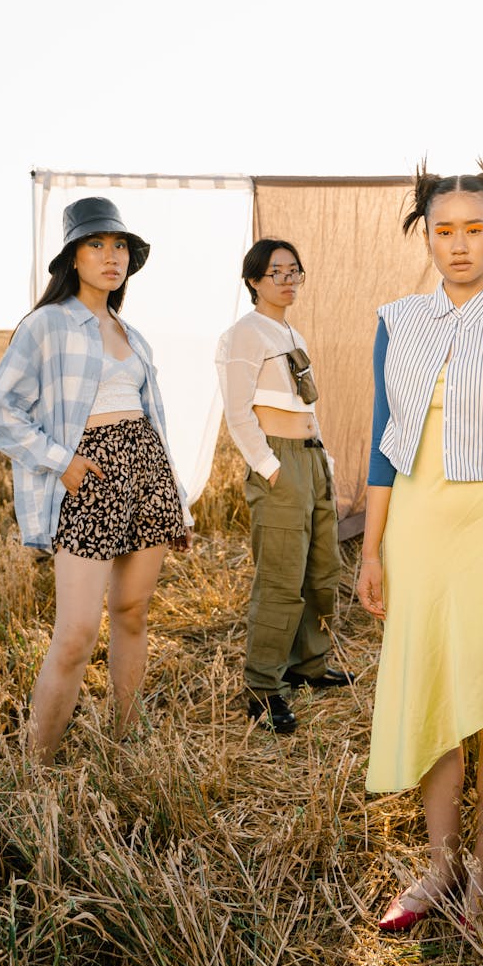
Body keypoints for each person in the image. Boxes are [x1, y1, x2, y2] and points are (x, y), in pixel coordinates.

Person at [357, 161, 483, 932]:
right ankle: (439, 866)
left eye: (475, 230)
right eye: (445, 231)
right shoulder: (395, 321)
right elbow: (384, 446)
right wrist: (371, 550)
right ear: (428, 237)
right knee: (432, 693)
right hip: (414, 531)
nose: (460, 245)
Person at [0, 197, 193, 763]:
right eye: (96, 245)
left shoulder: (133, 335)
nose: (111, 256)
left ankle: (125, 742)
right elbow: (0, 409)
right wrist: (62, 461)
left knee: (133, 613)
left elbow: (158, 422)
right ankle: (35, 765)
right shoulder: (46, 324)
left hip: (145, 471)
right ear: (73, 258)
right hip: (89, 477)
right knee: (76, 633)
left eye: (119, 245)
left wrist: (174, 498)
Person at [216, 238, 352, 734]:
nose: (288, 280)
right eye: (277, 272)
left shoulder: (292, 333)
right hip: (281, 463)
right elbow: (237, 411)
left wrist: (325, 462)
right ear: (254, 280)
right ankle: (262, 686)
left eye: (295, 270)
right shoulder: (244, 335)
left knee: (321, 570)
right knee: (280, 577)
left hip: (313, 462)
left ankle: (308, 665)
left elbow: (306, 404)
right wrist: (270, 467)